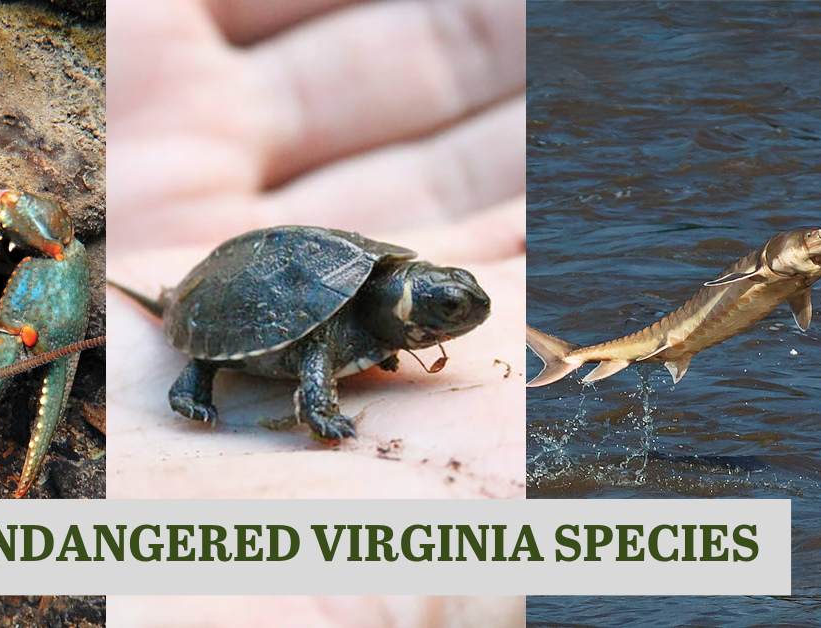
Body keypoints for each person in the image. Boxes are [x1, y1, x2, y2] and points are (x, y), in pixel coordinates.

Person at [107, 0, 524, 622]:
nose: (459, 315)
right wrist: (320, 411)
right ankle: (193, 380)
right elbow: (313, 350)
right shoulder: (336, 323)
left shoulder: (374, 284)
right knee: (288, 348)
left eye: (454, 301)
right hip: (218, 296)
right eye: (448, 307)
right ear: (406, 306)